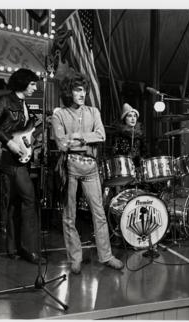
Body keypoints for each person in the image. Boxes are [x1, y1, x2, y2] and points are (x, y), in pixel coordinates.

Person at [51, 71, 124, 274]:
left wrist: (78, 137)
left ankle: (106, 256)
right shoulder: (59, 114)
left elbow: (101, 136)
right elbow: (62, 144)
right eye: (77, 90)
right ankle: (75, 258)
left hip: (91, 168)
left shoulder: (94, 112)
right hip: (70, 168)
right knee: (69, 216)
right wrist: (83, 140)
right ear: (69, 92)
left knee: (99, 213)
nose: (81, 94)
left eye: (83, 90)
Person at [0, 68, 45, 264]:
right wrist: (9, 142)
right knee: (29, 200)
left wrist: (41, 127)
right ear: (23, 83)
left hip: (19, 160)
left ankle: (12, 248)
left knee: (16, 202)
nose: (36, 87)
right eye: (33, 83)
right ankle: (29, 250)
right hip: (11, 160)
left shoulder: (23, 104)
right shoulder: (5, 101)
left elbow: (24, 133)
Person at [112, 103, 148, 167]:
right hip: (123, 166)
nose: (133, 118)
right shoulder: (119, 134)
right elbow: (114, 153)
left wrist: (141, 158)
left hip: (137, 166)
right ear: (125, 119)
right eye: (130, 116)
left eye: (135, 116)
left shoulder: (140, 134)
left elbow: (145, 152)